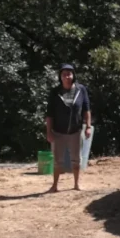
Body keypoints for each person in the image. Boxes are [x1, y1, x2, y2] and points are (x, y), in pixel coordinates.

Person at [44, 63, 92, 192]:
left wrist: (88, 126)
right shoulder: (55, 92)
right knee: (57, 161)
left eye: (69, 74)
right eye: (64, 74)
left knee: (76, 159)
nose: (67, 76)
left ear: (73, 75)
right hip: (58, 132)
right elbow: (49, 115)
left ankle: (76, 184)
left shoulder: (81, 90)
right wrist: (49, 132)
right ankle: (54, 186)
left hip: (75, 131)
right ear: (60, 77)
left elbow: (86, 110)